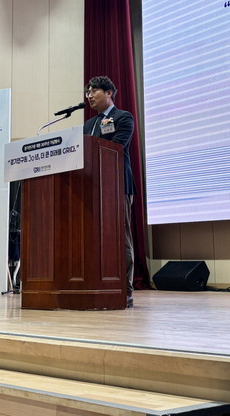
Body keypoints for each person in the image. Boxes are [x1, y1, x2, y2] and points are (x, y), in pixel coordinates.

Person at [83, 76, 136, 307]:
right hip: (92, 187)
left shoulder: (123, 117)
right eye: (88, 92)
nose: (89, 96)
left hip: (117, 185)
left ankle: (125, 289)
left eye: (94, 91)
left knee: (120, 236)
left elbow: (116, 147)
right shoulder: (88, 125)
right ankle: (98, 285)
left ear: (108, 93)